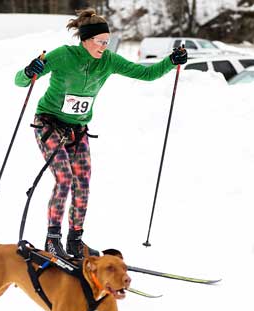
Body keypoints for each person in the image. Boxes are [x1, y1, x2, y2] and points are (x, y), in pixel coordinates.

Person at [15, 8, 187, 259]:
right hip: (49, 123)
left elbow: (146, 73)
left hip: (78, 130)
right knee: (64, 178)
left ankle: (75, 240)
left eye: (107, 42)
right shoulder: (63, 55)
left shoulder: (108, 61)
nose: (105, 47)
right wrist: (30, 71)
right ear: (85, 40)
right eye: (100, 42)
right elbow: (21, 81)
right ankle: (53, 240)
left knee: (82, 183)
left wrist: (171, 61)